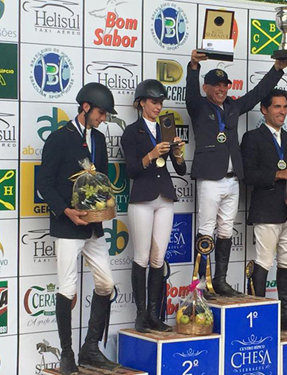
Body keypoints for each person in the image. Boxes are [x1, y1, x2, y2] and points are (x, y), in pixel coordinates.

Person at [186, 50, 287, 297]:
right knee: (206, 229)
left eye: (225, 85)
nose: (221, 89)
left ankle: (219, 281)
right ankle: (202, 284)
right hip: (210, 178)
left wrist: (277, 69)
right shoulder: (198, 106)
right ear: (206, 87)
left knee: (225, 230)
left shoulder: (233, 106)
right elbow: (191, 93)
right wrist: (193, 66)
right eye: (216, 86)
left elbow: (257, 94)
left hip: (233, 180)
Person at [37, 82, 119, 374]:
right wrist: (66, 211)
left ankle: (91, 348)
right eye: (100, 112)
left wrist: (106, 204)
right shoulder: (59, 138)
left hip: (94, 227)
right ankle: (67, 354)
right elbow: (43, 184)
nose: (103, 118)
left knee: (106, 284)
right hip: (68, 226)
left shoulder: (98, 138)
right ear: (85, 107)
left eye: (106, 114)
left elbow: (102, 180)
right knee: (68, 288)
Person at [121, 79, 186, 333]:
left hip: (165, 197)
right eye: (153, 102)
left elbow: (180, 168)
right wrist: (151, 154)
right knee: (141, 257)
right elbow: (132, 170)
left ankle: (154, 314)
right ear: (141, 103)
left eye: (161, 102)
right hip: (142, 198)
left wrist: (178, 152)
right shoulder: (131, 131)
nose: (158, 107)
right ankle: (140, 316)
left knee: (158, 258)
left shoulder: (165, 129)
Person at [241, 89, 287, 332]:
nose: (282, 111)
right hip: (267, 209)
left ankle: (286, 316)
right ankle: (259, 316)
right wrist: (280, 174)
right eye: (277, 107)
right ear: (264, 109)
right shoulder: (252, 138)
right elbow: (247, 175)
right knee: (264, 261)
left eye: (284, 107)